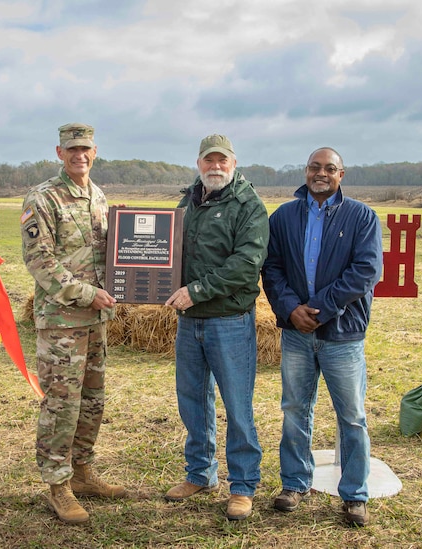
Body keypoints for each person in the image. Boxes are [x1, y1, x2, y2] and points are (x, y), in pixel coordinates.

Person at [261, 147, 383, 527]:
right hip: (297, 334)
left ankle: (355, 495)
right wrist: (290, 309)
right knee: (295, 409)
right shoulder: (283, 216)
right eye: (315, 167)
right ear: (305, 171)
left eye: (330, 168)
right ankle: (295, 484)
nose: (321, 173)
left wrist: (318, 309)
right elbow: (272, 267)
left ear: (341, 174)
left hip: (342, 335)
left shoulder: (362, 217)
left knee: (352, 416)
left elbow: (365, 271)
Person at [21, 122, 126, 524]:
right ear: (59, 153)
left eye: (85, 149)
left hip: (96, 318)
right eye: (72, 150)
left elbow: (111, 254)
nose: (79, 155)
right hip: (62, 320)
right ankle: (57, 485)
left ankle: (82, 473)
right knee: (62, 404)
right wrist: (86, 293)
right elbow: (40, 261)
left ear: (94, 152)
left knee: (93, 401)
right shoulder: (43, 198)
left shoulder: (98, 196)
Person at [163, 134, 269, 521]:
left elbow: (246, 264)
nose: (215, 167)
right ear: (198, 163)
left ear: (234, 163)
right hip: (190, 324)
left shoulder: (249, 206)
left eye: (222, 160)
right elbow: (166, 251)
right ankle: (199, 474)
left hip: (229, 320)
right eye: (209, 160)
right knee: (193, 401)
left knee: (237, 406)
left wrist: (197, 291)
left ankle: (242, 486)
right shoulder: (186, 203)